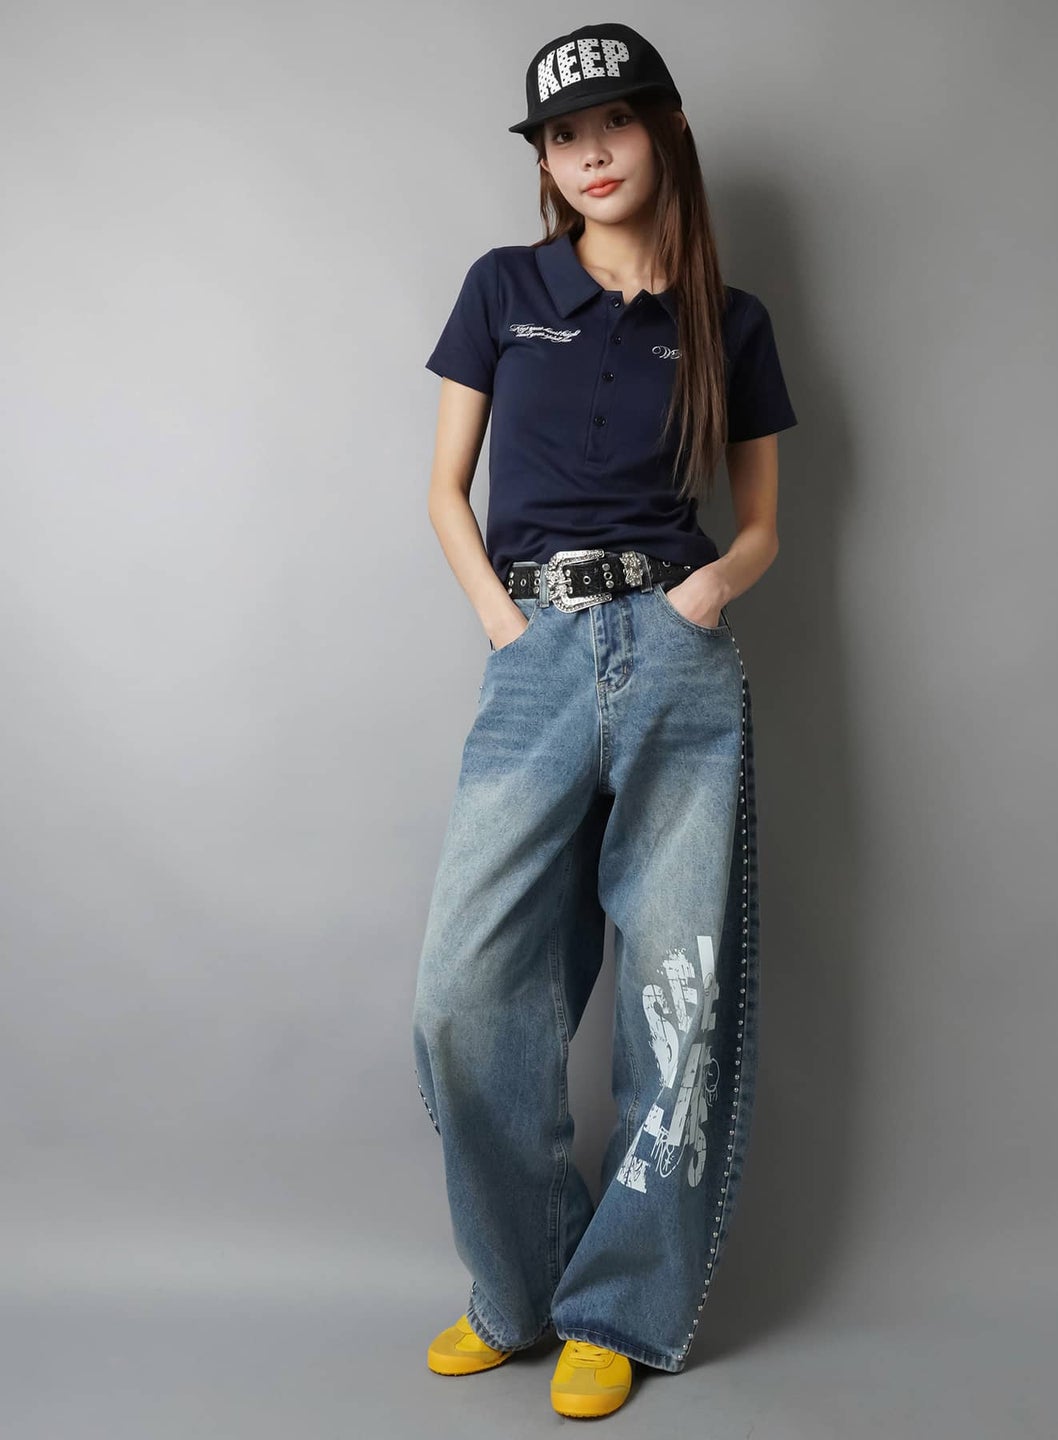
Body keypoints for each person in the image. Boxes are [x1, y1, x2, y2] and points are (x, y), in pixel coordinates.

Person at [411, 20, 797, 1420]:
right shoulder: (503, 288)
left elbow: (762, 525)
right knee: (463, 1000)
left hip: (680, 662)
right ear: (546, 162)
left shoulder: (727, 320)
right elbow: (445, 490)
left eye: (614, 124)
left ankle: (617, 1312)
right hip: (537, 654)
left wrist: (707, 595)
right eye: (564, 137)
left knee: (668, 1000)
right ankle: (519, 1288)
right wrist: (507, 627)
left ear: (663, 132)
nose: (589, 153)